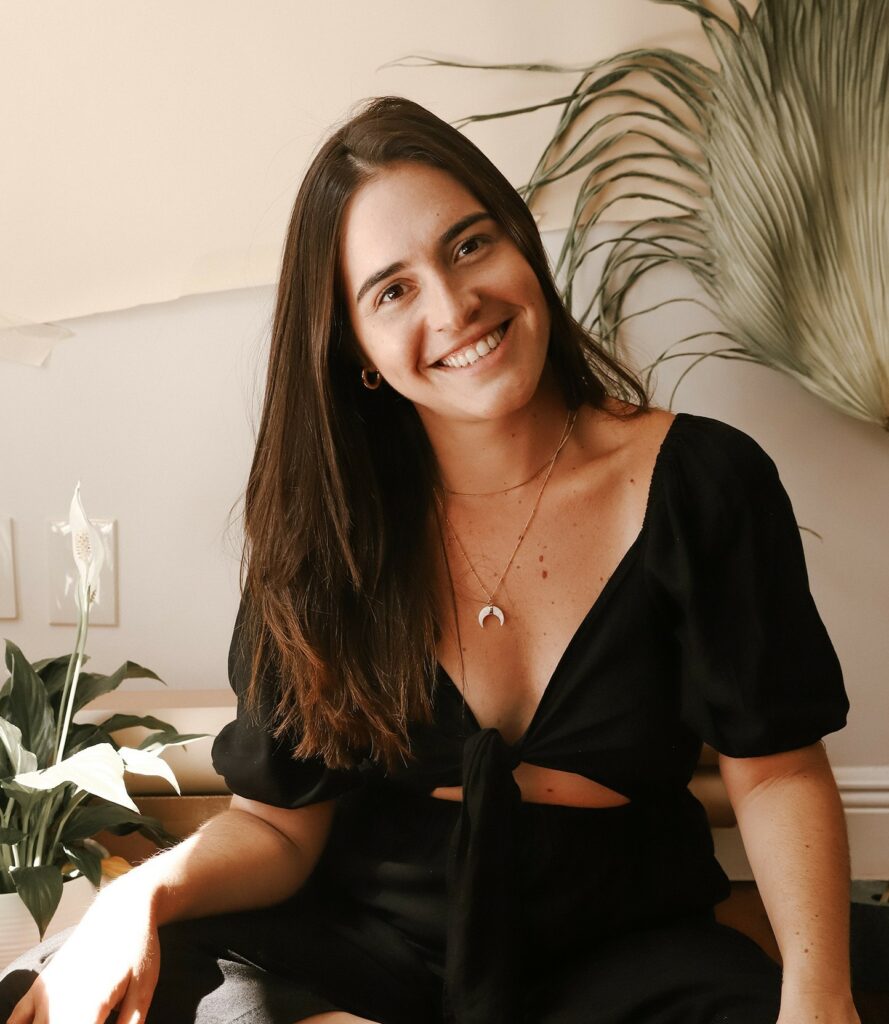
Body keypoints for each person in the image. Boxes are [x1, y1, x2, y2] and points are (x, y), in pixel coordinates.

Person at [1, 96, 858, 1024]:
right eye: (392, 290)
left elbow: (775, 770)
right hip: (364, 947)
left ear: (521, 245)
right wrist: (132, 900)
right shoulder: (326, 532)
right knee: (85, 987)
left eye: (469, 245)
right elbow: (279, 828)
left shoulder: (701, 481)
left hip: (630, 949)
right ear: (358, 349)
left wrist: (820, 1000)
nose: (454, 307)